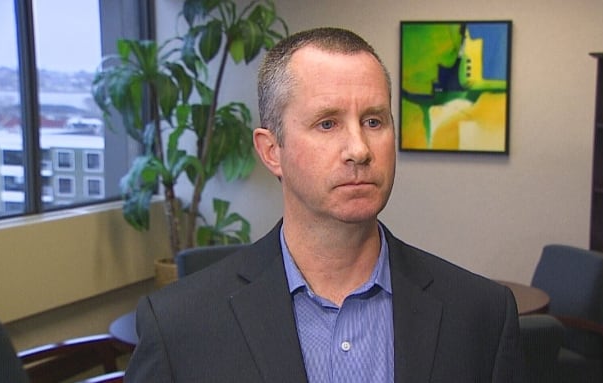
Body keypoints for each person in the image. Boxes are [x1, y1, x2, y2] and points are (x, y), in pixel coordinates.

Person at [124, 27, 525, 383]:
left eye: (374, 121)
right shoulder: (179, 326)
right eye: (327, 123)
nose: (359, 150)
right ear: (271, 151)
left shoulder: (481, 315)